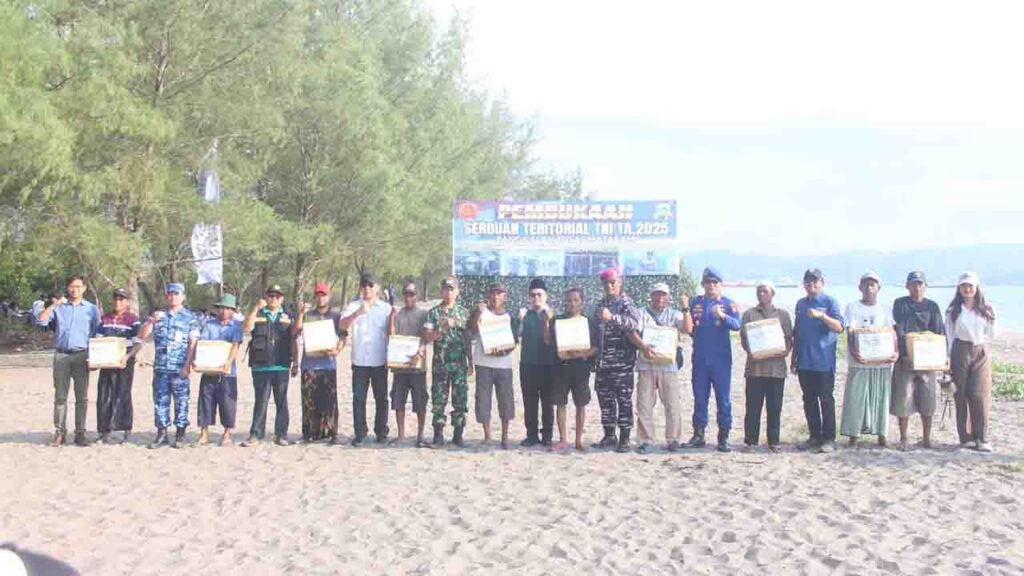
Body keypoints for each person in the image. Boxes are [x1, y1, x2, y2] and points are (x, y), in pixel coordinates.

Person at [36, 275, 101, 447]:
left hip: (82, 355)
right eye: (72, 286)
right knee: (60, 396)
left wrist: (95, 358)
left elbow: (96, 333)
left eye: (78, 286)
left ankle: (80, 433)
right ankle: (60, 432)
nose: (75, 290)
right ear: (68, 288)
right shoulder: (59, 307)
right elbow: (41, 320)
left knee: (82, 397)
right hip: (62, 356)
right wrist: (53, 305)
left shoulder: (91, 309)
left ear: (84, 288)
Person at [137, 282, 201, 449]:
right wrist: (151, 321)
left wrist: (188, 365)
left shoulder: (190, 317)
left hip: (180, 367)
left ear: (183, 297)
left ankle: (180, 433)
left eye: (177, 294)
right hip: (161, 368)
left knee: (181, 401)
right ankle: (162, 433)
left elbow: (192, 343)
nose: (173, 297)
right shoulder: (159, 316)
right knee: (160, 401)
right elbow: (141, 335)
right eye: (170, 294)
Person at [686, 267, 741, 452]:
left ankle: (723, 436)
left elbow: (737, 325)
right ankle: (699, 434)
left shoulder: (728, 303)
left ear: (721, 285)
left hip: (721, 361)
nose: (711, 286)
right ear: (703, 284)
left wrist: (723, 316)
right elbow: (688, 326)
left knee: (723, 399)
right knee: (700, 398)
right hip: (700, 359)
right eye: (708, 282)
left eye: (715, 283)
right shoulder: (695, 302)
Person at [840, 272, 898, 448]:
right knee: (856, 397)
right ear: (860, 287)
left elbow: (892, 332)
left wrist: (896, 350)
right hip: (860, 360)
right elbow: (850, 331)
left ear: (879, 288)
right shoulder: (852, 307)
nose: (869, 287)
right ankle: (853, 435)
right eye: (866, 284)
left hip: (882, 360)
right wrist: (853, 350)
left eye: (873, 284)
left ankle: (882, 434)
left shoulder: (886, 309)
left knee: (882, 397)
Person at [791, 268, 845, 454]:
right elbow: (796, 332)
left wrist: (823, 316)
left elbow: (839, 327)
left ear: (822, 282)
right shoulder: (800, 304)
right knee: (809, 400)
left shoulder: (829, 302)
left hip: (823, 361)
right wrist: (794, 358)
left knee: (826, 399)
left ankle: (829, 438)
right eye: (808, 281)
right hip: (804, 360)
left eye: (815, 281)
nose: (811, 284)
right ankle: (814, 436)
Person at [634, 282, 692, 453]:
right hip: (646, 364)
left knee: (672, 404)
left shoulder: (674, 314)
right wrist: (643, 346)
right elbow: (634, 332)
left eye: (663, 295)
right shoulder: (641, 313)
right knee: (644, 405)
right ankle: (645, 440)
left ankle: (673, 439)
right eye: (657, 294)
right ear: (651, 296)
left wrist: (686, 307)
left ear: (668, 297)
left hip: (669, 366)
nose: (660, 298)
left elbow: (688, 329)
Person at [891, 271, 946, 450]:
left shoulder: (933, 306)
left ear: (925, 286)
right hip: (905, 360)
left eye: (920, 284)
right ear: (907, 286)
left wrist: (940, 357)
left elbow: (939, 332)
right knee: (903, 399)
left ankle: (926, 438)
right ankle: (904, 438)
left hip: (928, 359)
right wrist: (904, 355)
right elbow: (899, 329)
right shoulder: (900, 304)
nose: (917, 287)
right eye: (913, 284)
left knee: (928, 400)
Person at [946, 271, 997, 452]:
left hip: (980, 351)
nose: (967, 289)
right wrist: (947, 358)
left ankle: (981, 437)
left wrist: (993, 318)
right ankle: (965, 437)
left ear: (976, 288)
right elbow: (949, 335)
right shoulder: (953, 311)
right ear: (959, 289)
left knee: (980, 394)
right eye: (964, 286)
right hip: (960, 349)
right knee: (960, 394)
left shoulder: (984, 309)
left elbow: (991, 335)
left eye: (970, 286)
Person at [739, 280, 793, 453]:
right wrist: (753, 350)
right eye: (759, 291)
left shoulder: (783, 315)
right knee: (753, 407)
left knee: (774, 408)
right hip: (755, 369)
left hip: (776, 370)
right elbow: (744, 340)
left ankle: (774, 442)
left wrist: (780, 351)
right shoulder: (748, 314)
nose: (762, 294)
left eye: (765, 291)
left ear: (772, 294)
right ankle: (751, 442)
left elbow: (788, 341)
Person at [242, 284, 299, 447]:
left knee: (281, 401)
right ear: (266, 297)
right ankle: (256, 434)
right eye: (271, 295)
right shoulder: (258, 313)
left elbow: (293, 339)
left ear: (282, 299)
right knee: (261, 401)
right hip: (261, 365)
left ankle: (281, 434)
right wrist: (254, 308)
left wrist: (296, 362)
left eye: (277, 296)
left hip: (281, 365)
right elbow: (246, 328)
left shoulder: (288, 315)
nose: (273, 299)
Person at [592, 267, 642, 453]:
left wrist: (612, 317)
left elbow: (634, 324)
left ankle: (625, 438)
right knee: (605, 401)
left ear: (619, 282)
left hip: (622, 363)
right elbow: (595, 333)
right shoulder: (599, 305)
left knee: (624, 401)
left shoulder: (627, 303)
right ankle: (609, 435)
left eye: (613, 282)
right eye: (606, 283)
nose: (609, 286)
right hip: (603, 363)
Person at [340, 271, 392, 446]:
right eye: (364, 285)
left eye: (371, 285)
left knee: (381, 398)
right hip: (360, 361)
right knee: (358, 398)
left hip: (380, 360)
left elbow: (391, 334)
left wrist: (391, 356)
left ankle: (381, 432)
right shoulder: (353, 306)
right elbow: (342, 325)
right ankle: (360, 433)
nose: (367, 288)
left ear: (377, 287)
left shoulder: (386, 308)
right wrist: (357, 314)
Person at [467, 282, 520, 449]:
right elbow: (472, 331)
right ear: (489, 295)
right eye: (493, 293)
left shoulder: (510, 316)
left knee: (505, 401)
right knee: (483, 400)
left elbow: (515, 340)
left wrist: (503, 348)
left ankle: (504, 437)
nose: (496, 296)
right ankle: (487, 435)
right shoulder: (481, 312)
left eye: (499, 293)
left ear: (505, 296)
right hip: (483, 363)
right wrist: (477, 314)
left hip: (503, 364)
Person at [548, 287, 599, 451]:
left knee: (581, 405)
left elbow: (596, 346)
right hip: (561, 368)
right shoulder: (556, 321)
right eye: (569, 300)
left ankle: (578, 440)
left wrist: (585, 353)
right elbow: (551, 343)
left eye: (576, 300)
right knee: (560, 404)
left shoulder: (589, 322)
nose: (572, 303)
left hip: (581, 369)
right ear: (565, 302)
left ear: (582, 302)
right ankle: (563, 439)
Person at [423, 276, 471, 447]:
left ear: (457, 292)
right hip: (440, 364)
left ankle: (458, 435)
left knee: (460, 400)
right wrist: (442, 327)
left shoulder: (464, 313)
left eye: (451, 289)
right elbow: (427, 337)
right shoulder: (434, 313)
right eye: (445, 289)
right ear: (441, 291)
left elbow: (467, 338)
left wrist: (470, 362)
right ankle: (438, 436)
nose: (448, 292)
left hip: (459, 364)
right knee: (438, 401)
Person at [293, 283, 345, 444]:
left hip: (328, 364)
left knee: (329, 400)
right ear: (315, 297)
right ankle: (309, 432)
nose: (321, 298)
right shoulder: (308, 315)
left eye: (324, 295)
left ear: (328, 297)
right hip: (309, 364)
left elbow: (343, 336)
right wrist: (301, 314)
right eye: (318, 295)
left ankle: (331, 433)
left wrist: (338, 349)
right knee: (309, 401)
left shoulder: (336, 316)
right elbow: (296, 331)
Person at [194, 294, 244, 447]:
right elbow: (203, 344)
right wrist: (199, 360)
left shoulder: (236, 326)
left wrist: (229, 362)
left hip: (228, 371)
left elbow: (235, 345)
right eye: (221, 308)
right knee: (205, 401)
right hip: (208, 370)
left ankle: (227, 433)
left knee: (228, 403)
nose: (223, 311)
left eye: (227, 308)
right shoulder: (209, 325)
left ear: (232, 310)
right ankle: (204, 433)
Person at [94, 288, 142, 445]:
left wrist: (127, 357)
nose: (118, 302)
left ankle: (126, 431)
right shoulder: (105, 319)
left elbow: (137, 343)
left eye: (121, 299)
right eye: (116, 299)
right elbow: (98, 341)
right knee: (103, 396)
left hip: (124, 363)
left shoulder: (133, 320)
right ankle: (104, 431)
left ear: (127, 302)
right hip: (106, 363)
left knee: (123, 395)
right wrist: (94, 360)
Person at [388, 282, 430, 447]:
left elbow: (427, 336)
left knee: (420, 402)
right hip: (400, 366)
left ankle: (420, 435)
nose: (409, 297)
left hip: (418, 366)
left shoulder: (424, 314)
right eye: (406, 294)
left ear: (416, 296)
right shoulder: (398, 315)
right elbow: (391, 336)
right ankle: (401, 435)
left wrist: (420, 351)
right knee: (398, 401)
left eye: (412, 294)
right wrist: (391, 318)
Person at [519, 278, 558, 447]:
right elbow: (514, 337)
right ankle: (532, 435)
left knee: (548, 402)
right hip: (528, 364)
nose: (536, 298)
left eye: (539, 294)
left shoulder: (553, 315)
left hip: (548, 364)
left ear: (546, 296)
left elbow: (554, 341)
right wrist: (519, 321)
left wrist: (548, 321)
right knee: (529, 401)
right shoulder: (524, 315)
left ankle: (547, 435)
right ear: (528, 296)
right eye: (533, 295)